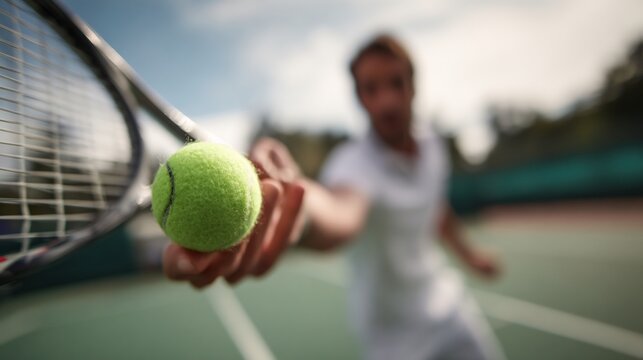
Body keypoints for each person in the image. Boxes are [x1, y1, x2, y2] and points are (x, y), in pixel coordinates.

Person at [164, 34, 504, 360]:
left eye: (396, 83)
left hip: (450, 309)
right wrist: (294, 205)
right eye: (371, 89)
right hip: (393, 338)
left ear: (413, 85)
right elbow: (337, 208)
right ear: (360, 98)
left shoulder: (432, 147)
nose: (386, 100)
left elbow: (435, 207)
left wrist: (469, 255)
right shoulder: (352, 164)